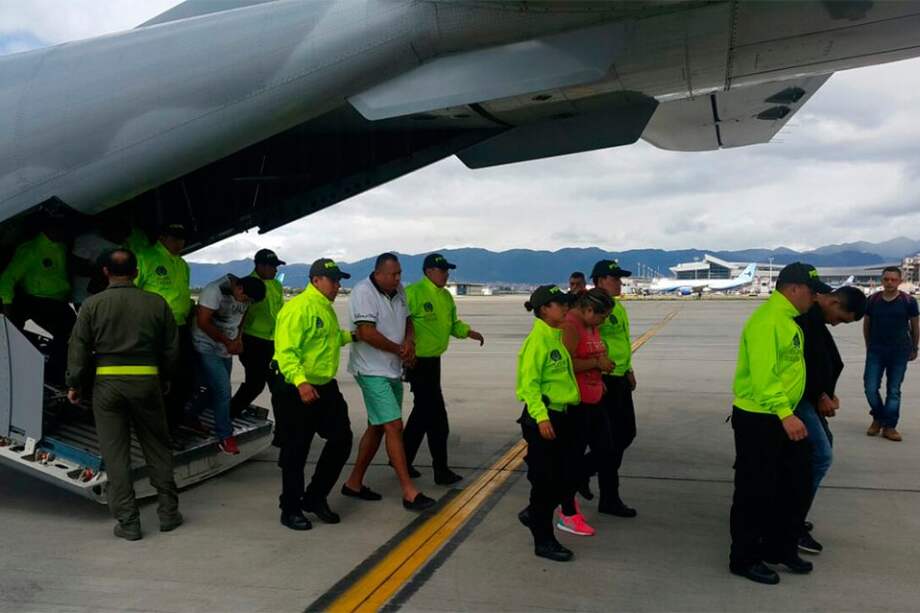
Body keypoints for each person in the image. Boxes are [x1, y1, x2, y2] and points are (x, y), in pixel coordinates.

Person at [64, 248, 181, 541]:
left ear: (105, 272)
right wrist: (165, 377)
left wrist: (75, 383)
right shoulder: (156, 303)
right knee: (157, 446)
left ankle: (128, 522)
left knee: (116, 454)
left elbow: (77, 347)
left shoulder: (92, 305)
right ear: (136, 272)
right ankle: (168, 512)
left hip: (108, 384)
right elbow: (171, 348)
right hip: (147, 383)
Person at [729, 262, 825, 585]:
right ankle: (743, 557)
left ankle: (779, 547)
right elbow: (763, 376)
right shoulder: (767, 321)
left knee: (793, 481)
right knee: (754, 489)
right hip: (761, 417)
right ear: (794, 289)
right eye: (812, 292)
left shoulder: (787, 320)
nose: (814, 299)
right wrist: (785, 413)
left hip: (783, 414)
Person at [342, 253, 436, 512]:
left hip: (391, 369)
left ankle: (353, 483)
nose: (398, 279)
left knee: (378, 426)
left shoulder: (399, 290)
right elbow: (366, 333)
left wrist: (409, 342)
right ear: (379, 273)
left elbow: (407, 320)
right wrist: (398, 349)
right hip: (371, 370)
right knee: (394, 425)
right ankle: (409, 491)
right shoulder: (363, 293)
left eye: (399, 274)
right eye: (393, 275)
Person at [269, 258, 354, 531]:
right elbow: (286, 351)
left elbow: (327, 339)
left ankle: (315, 497)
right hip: (297, 386)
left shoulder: (324, 309)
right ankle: (290, 508)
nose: (338, 285)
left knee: (342, 439)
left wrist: (352, 336)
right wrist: (301, 382)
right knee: (296, 449)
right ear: (316, 280)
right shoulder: (298, 308)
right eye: (333, 280)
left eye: (339, 280)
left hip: (324, 386)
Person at [795, 285, 867, 555]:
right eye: (840, 318)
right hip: (801, 398)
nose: (836, 324)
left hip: (812, 398)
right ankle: (792, 523)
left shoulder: (816, 315)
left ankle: (794, 516)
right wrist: (820, 394)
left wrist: (827, 394)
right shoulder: (807, 317)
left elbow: (823, 361)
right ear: (834, 302)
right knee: (821, 455)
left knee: (822, 448)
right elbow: (802, 364)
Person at [403, 253, 484, 485]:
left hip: (434, 362)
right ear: (429, 271)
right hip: (417, 362)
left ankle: (402, 459)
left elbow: (453, 324)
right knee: (437, 419)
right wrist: (403, 353)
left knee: (421, 415)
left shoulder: (446, 297)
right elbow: (398, 324)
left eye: (447, 270)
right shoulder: (413, 293)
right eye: (443, 270)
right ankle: (440, 470)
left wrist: (468, 332)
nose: (447, 274)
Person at [515, 285, 580, 562]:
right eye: (559, 304)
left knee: (567, 477)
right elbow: (528, 385)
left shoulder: (555, 338)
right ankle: (544, 540)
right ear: (544, 309)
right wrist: (541, 417)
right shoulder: (538, 341)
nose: (565, 308)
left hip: (563, 416)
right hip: (545, 417)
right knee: (545, 482)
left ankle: (534, 514)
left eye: (566, 303)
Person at [556, 288, 615, 537]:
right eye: (601, 317)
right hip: (576, 402)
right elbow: (565, 364)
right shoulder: (570, 326)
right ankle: (567, 512)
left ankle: (571, 484)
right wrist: (595, 364)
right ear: (589, 310)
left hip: (595, 397)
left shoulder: (592, 326)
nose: (603, 322)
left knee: (607, 451)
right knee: (573, 457)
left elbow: (596, 352)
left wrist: (602, 369)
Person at [188, 273, 266, 455]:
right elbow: (203, 321)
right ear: (238, 288)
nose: (245, 302)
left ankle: (190, 415)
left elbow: (243, 317)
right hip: (206, 345)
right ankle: (225, 435)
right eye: (245, 298)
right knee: (223, 389)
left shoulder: (247, 295)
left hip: (225, 346)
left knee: (213, 388)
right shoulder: (214, 291)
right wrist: (226, 341)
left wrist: (238, 339)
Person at [589, 259, 638, 517]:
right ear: (600, 280)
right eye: (615, 277)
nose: (620, 282)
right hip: (604, 381)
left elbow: (620, 342)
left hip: (619, 378)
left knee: (625, 434)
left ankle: (590, 478)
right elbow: (588, 341)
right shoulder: (593, 308)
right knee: (609, 441)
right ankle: (605, 493)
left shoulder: (616, 307)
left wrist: (628, 369)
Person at [135, 224, 193, 433]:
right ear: (162, 237)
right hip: (153, 327)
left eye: (183, 239)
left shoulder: (183, 264)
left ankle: (171, 424)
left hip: (179, 326)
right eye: (175, 238)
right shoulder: (144, 257)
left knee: (184, 377)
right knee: (156, 378)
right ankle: (151, 426)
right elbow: (130, 290)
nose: (180, 243)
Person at [0, 222, 75, 382]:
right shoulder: (30, 250)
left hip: (59, 302)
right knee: (64, 334)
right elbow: (7, 279)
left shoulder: (62, 246)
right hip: (37, 301)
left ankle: (59, 372)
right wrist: (8, 307)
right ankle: (54, 376)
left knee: (73, 332)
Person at [863, 266, 919, 442]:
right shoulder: (873, 300)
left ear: (899, 281)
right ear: (882, 280)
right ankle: (878, 417)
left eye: (893, 280)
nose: (889, 283)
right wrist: (869, 346)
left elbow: (915, 326)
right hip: (876, 350)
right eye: (886, 279)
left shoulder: (908, 301)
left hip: (899, 351)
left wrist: (915, 347)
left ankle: (890, 426)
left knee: (893, 390)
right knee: (870, 388)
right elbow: (867, 324)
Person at [230, 249, 286, 419]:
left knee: (279, 388)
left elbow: (280, 312)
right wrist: (237, 339)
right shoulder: (248, 285)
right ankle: (229, 414)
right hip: (252, 342)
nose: (276, 270)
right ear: (260, 266)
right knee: (255, 385)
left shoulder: (276, 285)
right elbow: (240, 315)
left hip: (273, 343)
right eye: (272, 266)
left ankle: (283, 432)